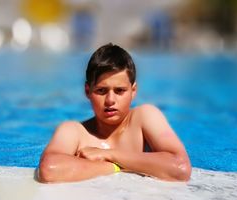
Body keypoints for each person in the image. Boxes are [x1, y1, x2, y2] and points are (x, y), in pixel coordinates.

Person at [38, 43, 191, 183]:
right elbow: (49, 170)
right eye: (101, 91)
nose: (110, 100)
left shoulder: (144, 118)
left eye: (119, 91)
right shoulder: (74, 131)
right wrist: (115, 167)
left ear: (133, 91)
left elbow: (180, 168)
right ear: (87, 91)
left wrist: (109, 154)